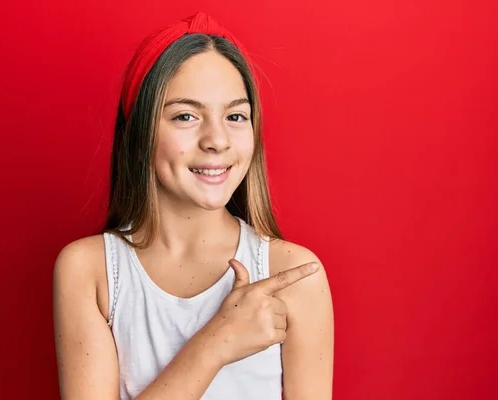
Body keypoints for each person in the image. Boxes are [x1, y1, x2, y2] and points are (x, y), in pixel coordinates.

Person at [53, 12, 334, 400]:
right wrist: (216, 344)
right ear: (141, 130)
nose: (217, 140)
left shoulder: (295, 276)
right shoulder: (90, 271)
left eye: (235, 116)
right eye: (186, 116)